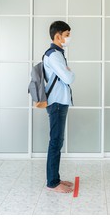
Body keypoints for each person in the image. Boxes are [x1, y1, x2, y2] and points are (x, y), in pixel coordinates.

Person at [43, 21, 75, 193]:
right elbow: (69, 78)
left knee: (58, 141)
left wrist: (67, 71)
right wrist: (70, 72)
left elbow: (65, 75)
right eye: (67, 34)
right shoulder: (54, 55)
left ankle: (55, 177)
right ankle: (52, 182)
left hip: (60, 101)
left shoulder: (58, 54)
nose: (69, 38)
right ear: (58, 36)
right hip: (56, 102)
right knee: (55, 141)